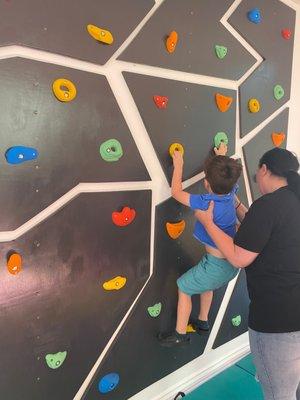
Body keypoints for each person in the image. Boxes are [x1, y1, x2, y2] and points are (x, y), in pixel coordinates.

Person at [195, 147, 300, 399]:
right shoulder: (291, 201)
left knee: (279, 395)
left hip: (278, 322)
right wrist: (237, 204)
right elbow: (263, 230)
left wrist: (208, 222)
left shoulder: (269, 205)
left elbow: (239, 256)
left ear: (264, 169)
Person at [158, 145, 242, 347]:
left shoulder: (207, 202)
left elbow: (176, 192)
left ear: (206, 184)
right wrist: (221, 157)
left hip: (216, 265)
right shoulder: (230, 193)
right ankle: (203, 322)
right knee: (208, 285)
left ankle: (180, 334)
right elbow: (226, 177)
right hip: (231, 264)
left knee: (183, 286)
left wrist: (178, 164)